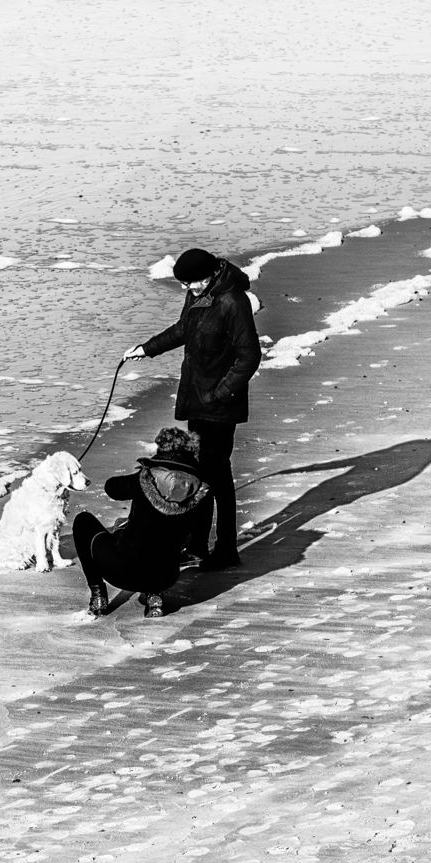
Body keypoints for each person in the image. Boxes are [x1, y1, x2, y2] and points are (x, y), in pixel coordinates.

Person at [124, 247, 260, 569]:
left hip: (219, 406)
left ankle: (226, 549)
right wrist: (147, 349)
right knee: (200, 474)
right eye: (185, 284)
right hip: (198, 400)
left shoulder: (233, 301)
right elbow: (184, 329)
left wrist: (219, 395)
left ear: (212, 273)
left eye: (193, 282)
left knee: (217, 477)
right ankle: (197, 543)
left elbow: (249, 356)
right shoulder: (199, 295)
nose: (189, 289)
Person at [73, 428, 211, 618]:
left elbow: (111, 487)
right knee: (163, 538)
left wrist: (141, 476)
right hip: (165, 577)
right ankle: (155, 597)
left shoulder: (145, 479)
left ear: (161, 448)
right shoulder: (199, 490)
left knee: (83, 522)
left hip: (120, 571)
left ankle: (98, 594)